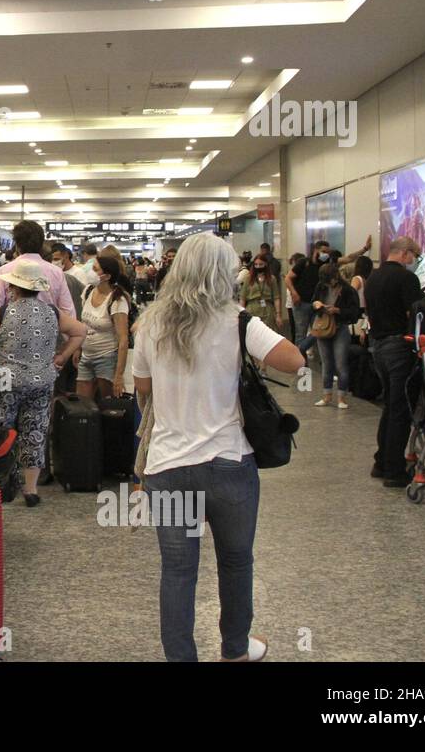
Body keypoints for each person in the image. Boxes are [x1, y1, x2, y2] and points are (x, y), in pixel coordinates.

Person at [132, 233, 303, 662]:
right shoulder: (238, 320)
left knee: (177, 571)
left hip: (168, 465)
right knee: (236, 561)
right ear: (224, 274)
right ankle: (235, 651)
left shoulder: (150, 323)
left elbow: (141, 389)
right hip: (229, 462)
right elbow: (295, 361)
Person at [0, 258, 83, 506]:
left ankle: (2, 484)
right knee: (35, 431)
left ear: (13, 287)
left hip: (7, 381)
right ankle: (31, 489)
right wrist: (61, 357)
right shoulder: (52, 312)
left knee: (2, 430)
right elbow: (81, 331)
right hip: (42, 380)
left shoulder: (3, 311)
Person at [364, 237, 424, 487]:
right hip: (399, 346)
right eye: (415, 256)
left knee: (390, 404)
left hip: (378, 346)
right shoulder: (407, 279)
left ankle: (381, 461)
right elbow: (415, 313)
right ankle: (394, 470)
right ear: (406, 253)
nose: (415, 261)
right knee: (400, 408)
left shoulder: (373, 277)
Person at [0, 220, 77, 321]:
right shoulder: (56, 272)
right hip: (48, 333)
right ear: (41, 244)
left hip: (11, 332)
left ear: (17, 245)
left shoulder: (4, 271)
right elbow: (68, 313)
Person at [73, 254, 131, 404]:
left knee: (107, 405)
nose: (89, 271)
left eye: (94, 269)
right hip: (86, 356)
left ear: (106, 276)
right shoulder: (88, 291)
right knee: (82, 406)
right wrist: (78, 348)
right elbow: (82, 323)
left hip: (107, 358)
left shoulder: (117, 300)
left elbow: (123, 339)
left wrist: (119, 375)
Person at [309, 263, 361, 410]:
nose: (329, 283)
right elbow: (312, 303)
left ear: (336, 276)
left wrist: (338, 310)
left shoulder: (348, 290)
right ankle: (326, 395)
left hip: (340, 328)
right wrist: (317, 305)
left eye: (330, 280)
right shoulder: (321, 287)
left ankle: (341, 397)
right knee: (326, 363)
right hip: (323, 327)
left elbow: (354, 313)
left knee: (340, 363)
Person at [350, 255, 374, 343]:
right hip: (365, 312)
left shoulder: (357, 279)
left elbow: (351, 293)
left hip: (357, 311)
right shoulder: (367, 280)